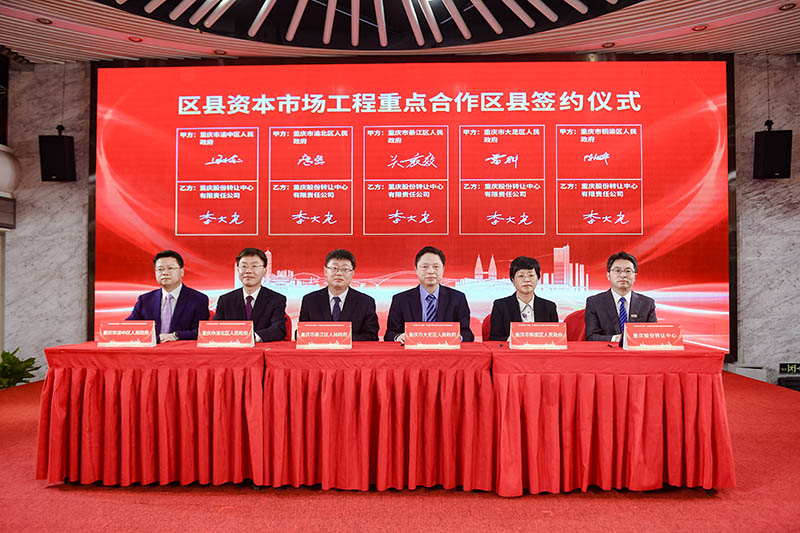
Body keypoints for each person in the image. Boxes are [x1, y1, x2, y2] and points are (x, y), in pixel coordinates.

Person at [384, 246, 474, 343]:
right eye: (424, 267)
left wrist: (455, 338)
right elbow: (390, 334)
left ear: (443, 269)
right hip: (413, 350)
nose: (430, 271)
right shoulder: (401, 300)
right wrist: (398, 337)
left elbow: (467, 334)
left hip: (446, 350)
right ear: (416, 269)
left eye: (436, 267)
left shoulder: (458, 298)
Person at [127, 250, 209, 342]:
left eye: (170, 268)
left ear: (182, 272)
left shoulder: (198, 299)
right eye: (160, 269)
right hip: (151, 349)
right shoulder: (145, 300)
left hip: (181, 349)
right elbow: (129, 327)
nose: (165, 273)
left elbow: (202, 331)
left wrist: (176, 336)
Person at [298, 249, 379, 341]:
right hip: (320, 350)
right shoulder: (310, 301)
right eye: (334, 268)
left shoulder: (365, 303)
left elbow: (372, 337)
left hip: (352, 350)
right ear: (325, 271)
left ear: (352, 273)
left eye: (345, 269)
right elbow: (301, 333)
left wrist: (340, 339)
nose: (339, 273)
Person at [214, 247, 287, 342]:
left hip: (261, 348)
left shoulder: (276, 299)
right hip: (233, 348)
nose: (248, 271)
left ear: (264, 271)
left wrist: (252, 337)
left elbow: (278, 329)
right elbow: (215, 329)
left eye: (254, 266)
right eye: (244, 266)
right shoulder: (225, 300)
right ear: (238, 270)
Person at [584, 251, 657, 342]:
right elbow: (591, 336)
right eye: (617, 271)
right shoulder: (595, 302)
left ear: (635, 276)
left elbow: (652, 335)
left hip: (637, 350)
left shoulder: (647, 303)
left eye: (628, 271)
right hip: (607, 350)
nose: (623, 275)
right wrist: (615, 339)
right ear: (608, 275)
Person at [489, 256, 558, 341]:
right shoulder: (501, 306)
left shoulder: (549, 307)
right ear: (513, 280)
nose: (526, 280)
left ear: (538, 278)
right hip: (512, 349)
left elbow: (556, 338)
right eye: (521, 276)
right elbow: (494, 339)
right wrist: (509, 340)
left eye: (531, 275)